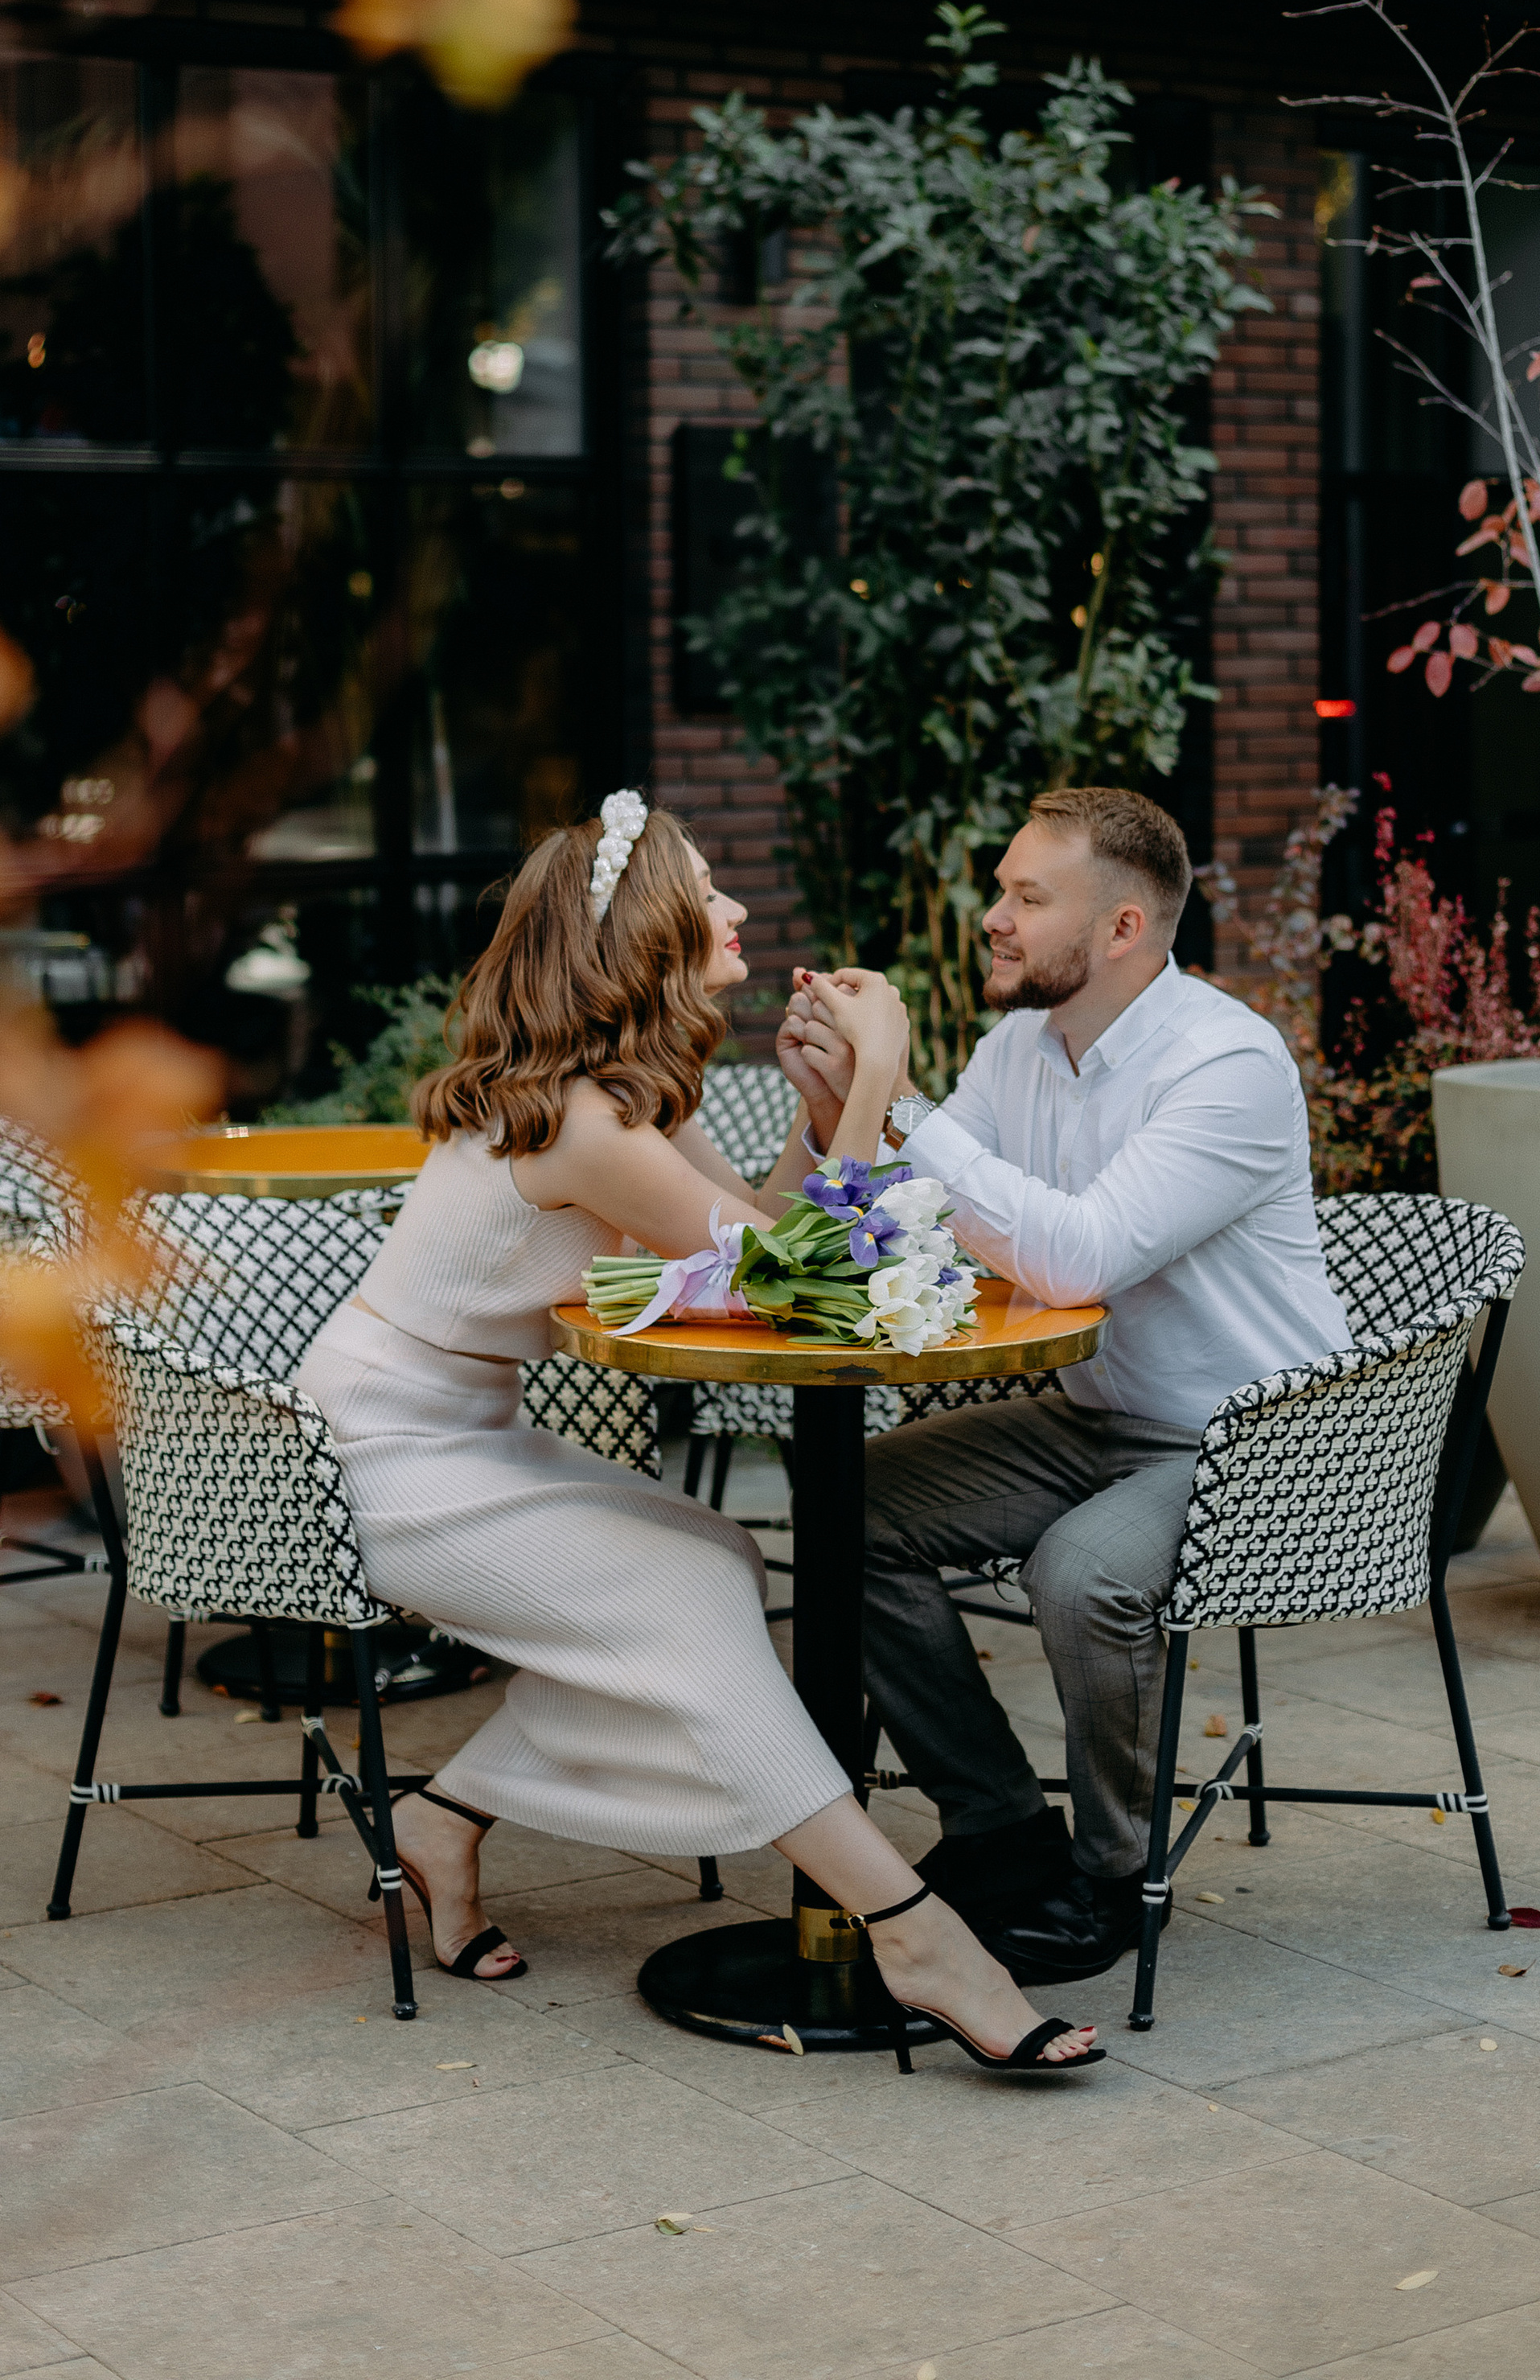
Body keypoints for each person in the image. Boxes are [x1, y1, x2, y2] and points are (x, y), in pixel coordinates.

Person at [298, 793, 1101, 2074]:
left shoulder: (621, 1095)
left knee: (720, 1558)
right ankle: (915, 1930)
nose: (735, 910)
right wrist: (880, 1079)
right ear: (649, 932)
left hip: (452, 1431)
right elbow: (802, 1279)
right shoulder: (582, 1120)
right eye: (711, 892)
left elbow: (760, 1242)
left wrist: (816, 1106)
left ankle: (442, 1819)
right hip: (384, 1459)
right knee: (681, 1602)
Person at [778, 785, 1352, 1986]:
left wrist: (912, 1104)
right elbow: (912, 1217)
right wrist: (844, 1104)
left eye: (1027, 898)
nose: (995, 916)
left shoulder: (1226, 1064)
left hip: (1262, 1439)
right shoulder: (1019, 1050)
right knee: (845, 1502)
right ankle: (999, 1825)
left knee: (1082, 1570)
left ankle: (1112, 1875)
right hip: (1097, 1414)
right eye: (1002, 890)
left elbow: (1077, 1252)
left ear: (1125, 929)